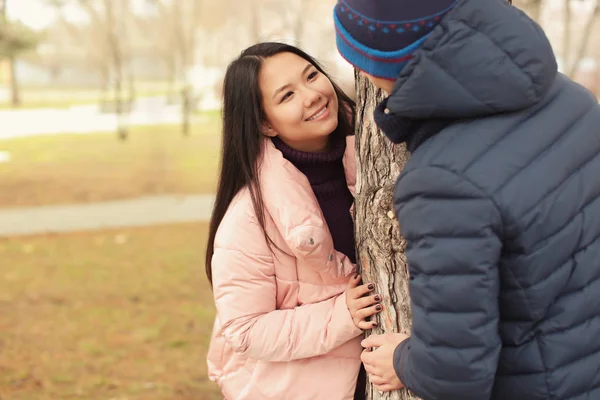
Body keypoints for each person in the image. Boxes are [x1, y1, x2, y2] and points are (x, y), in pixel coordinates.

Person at [333, 0, 600, 399]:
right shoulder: (570, 98)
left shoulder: (442, 179)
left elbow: (454, 372)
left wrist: (403, 359)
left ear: (372, 66)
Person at [205, 42, 383, 400]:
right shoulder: (249, 216)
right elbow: (244, 330)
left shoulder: (374, 157)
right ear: (265, 125)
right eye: (287, 96)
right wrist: (341, 315)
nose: (313, 95)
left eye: (311, 76)